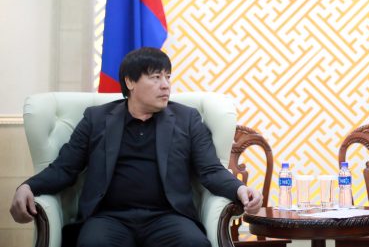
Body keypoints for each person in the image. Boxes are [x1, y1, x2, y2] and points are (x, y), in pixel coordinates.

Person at [10, 47, 262, 247]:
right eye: (156, 77)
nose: (166, 85)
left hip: (168, 217)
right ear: (130, 82)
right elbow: (65, 168)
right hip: (109, 218)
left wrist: (240, 189)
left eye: (168, 77)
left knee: (193, 243)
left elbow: (210, 170)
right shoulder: (96, 119)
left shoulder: (187, 119)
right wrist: (28, 187)